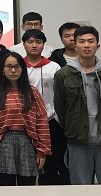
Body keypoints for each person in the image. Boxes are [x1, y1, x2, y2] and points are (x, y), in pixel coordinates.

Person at [53, 26, 101, 185]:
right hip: (78, 141)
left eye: (90, 41)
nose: (86, 45)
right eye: (82, 41)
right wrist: (72, 127)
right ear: (75, 45)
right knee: (80, 187)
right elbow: (60, 107)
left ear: (97, 45)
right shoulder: (63, 74)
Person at [0, 52, 51, 186]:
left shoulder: (33, 93)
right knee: (5, 188)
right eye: (9, 66)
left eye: (17, 66)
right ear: (2, 69)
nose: (13, 70)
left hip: (28, 142)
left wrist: (42, 151)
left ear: (23, 69)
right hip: (3, 143)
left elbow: (42, 122)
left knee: (27, 188)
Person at [22, 29, 67, 185]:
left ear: (43, 45)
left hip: (50, 122)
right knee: (27, 167)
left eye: (38, 42)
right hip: (25, 123)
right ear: (24, 44)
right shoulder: (18, 67)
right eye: (30, 42)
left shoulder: (54, 67)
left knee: (51, 166)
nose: (34, 45)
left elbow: (61, 95)